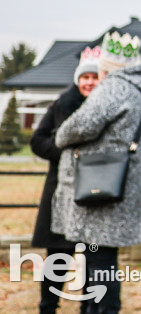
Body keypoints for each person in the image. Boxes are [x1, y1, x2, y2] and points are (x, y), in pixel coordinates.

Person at [51, 32, 141, 314]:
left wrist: (60, 136)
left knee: (99, 262)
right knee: (101, 257)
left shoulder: (114, 87)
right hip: (124, 185)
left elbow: (78, 126)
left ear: (108, 67)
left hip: (102, 187)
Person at [30, 46, 99, 313]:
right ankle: (47, 306)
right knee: (57, 258)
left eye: (94, 78)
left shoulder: (106, 108)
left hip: (93, 193)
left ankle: (88, 307)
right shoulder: (61, 105)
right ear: (78, 79)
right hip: (60, 193)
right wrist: (67, 156)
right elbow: (37, 140)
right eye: (85, 78)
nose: (90, 82)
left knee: (93, 258)